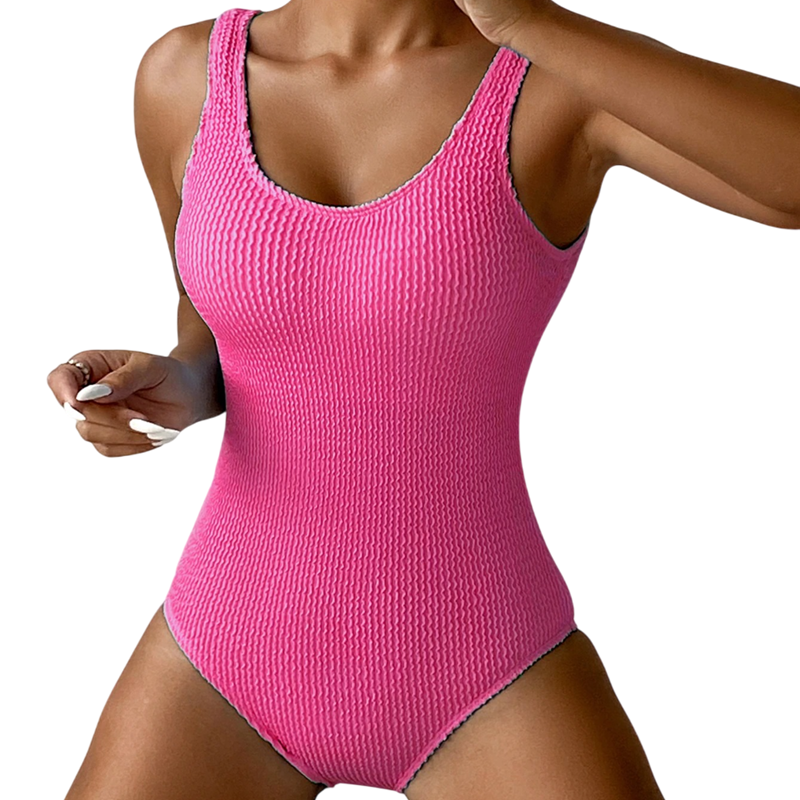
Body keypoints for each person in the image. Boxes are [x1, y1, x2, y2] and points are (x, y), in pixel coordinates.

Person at [48, 1, 800, 799]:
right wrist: (182, 382)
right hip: (224, 646)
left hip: (487, 664)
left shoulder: (550, 76)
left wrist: (530, 23)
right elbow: (212, 326)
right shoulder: (184, 77)